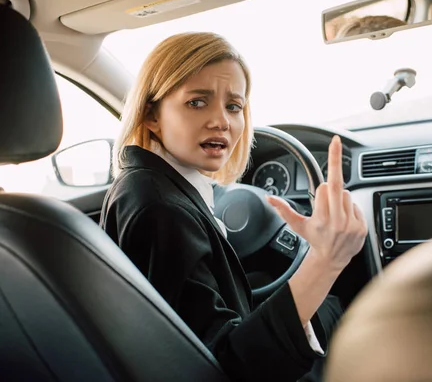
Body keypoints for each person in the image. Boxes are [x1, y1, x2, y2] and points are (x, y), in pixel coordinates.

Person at [99, 32, 368, 382]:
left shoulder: (152, 185)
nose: (222, 121)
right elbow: (225, 367)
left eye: (234, 106)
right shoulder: (160, 207)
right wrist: (326, 261)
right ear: (151, 115)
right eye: (197, 102)